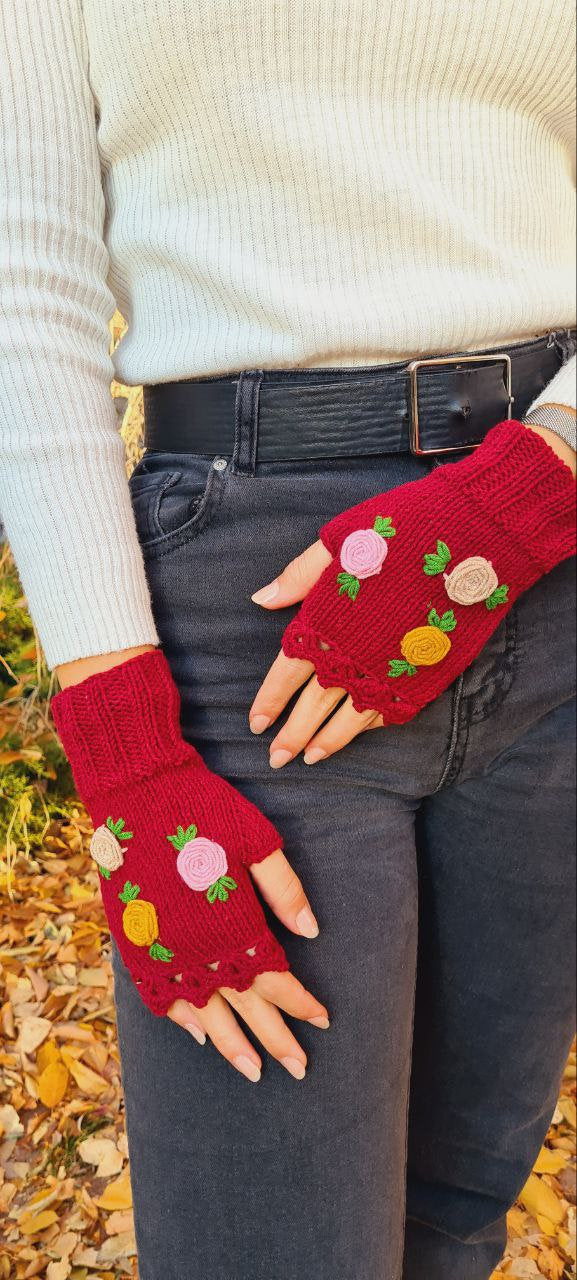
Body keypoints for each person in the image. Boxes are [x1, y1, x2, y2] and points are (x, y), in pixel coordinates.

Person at [1, 2, 575, 1278]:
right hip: (248, 619)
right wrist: (127, 755)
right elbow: (21, 294)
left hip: (552, 561)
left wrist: (531, 485)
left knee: (460, 1205)